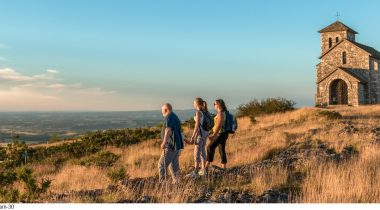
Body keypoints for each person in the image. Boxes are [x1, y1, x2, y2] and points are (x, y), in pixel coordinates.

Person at [202, 99, 229, 175]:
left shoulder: (220, 113)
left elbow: (219, 125)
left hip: (220, 134)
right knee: (221, 149)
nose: (214, 105)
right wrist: (211, 132)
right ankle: (224, 167)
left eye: (214, 104)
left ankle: (206, 167)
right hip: (224, 133)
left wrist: (214, 135)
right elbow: (217, 125)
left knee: (210, 147)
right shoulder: (223, 112)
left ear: (218, 105)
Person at [158, 103, 184, 184]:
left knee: (161, 165)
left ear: (165, 109)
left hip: (170, 146)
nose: (161, 112)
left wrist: (163, 143)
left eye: (162, 110)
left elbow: (168, 130)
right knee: (173, 166)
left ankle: (162, 184)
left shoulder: (168, 117)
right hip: (177, 145)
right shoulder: (175, 116)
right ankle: (177, 182)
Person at [187, 98, 209, 178]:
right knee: (203, 151)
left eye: (194, 102)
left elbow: (197, 125)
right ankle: (204, 170)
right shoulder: (205, 112)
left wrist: (193, 136)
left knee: (197, 152)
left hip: (200, 134)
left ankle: (196, 171)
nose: (193, 104)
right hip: (205, 133)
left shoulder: (198, 112)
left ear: (196, 103)